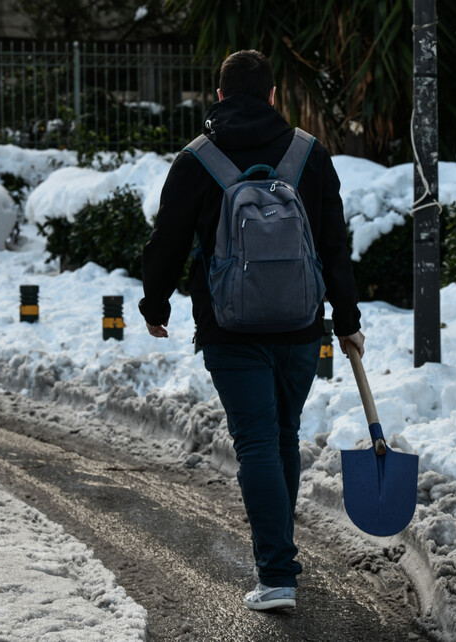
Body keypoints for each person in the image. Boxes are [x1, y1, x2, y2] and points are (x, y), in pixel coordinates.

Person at [139, 49, 364, 611]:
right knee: (281, 435)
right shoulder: (309, 156)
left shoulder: (196, 160)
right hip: (299, 326)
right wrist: (348, 320)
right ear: (272, 97)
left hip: (228, 326)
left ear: (218, 98)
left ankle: (276, 574)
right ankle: (279, 561)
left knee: (258, 441)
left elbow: (167, 240)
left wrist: (155, 303)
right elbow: (334, 246)